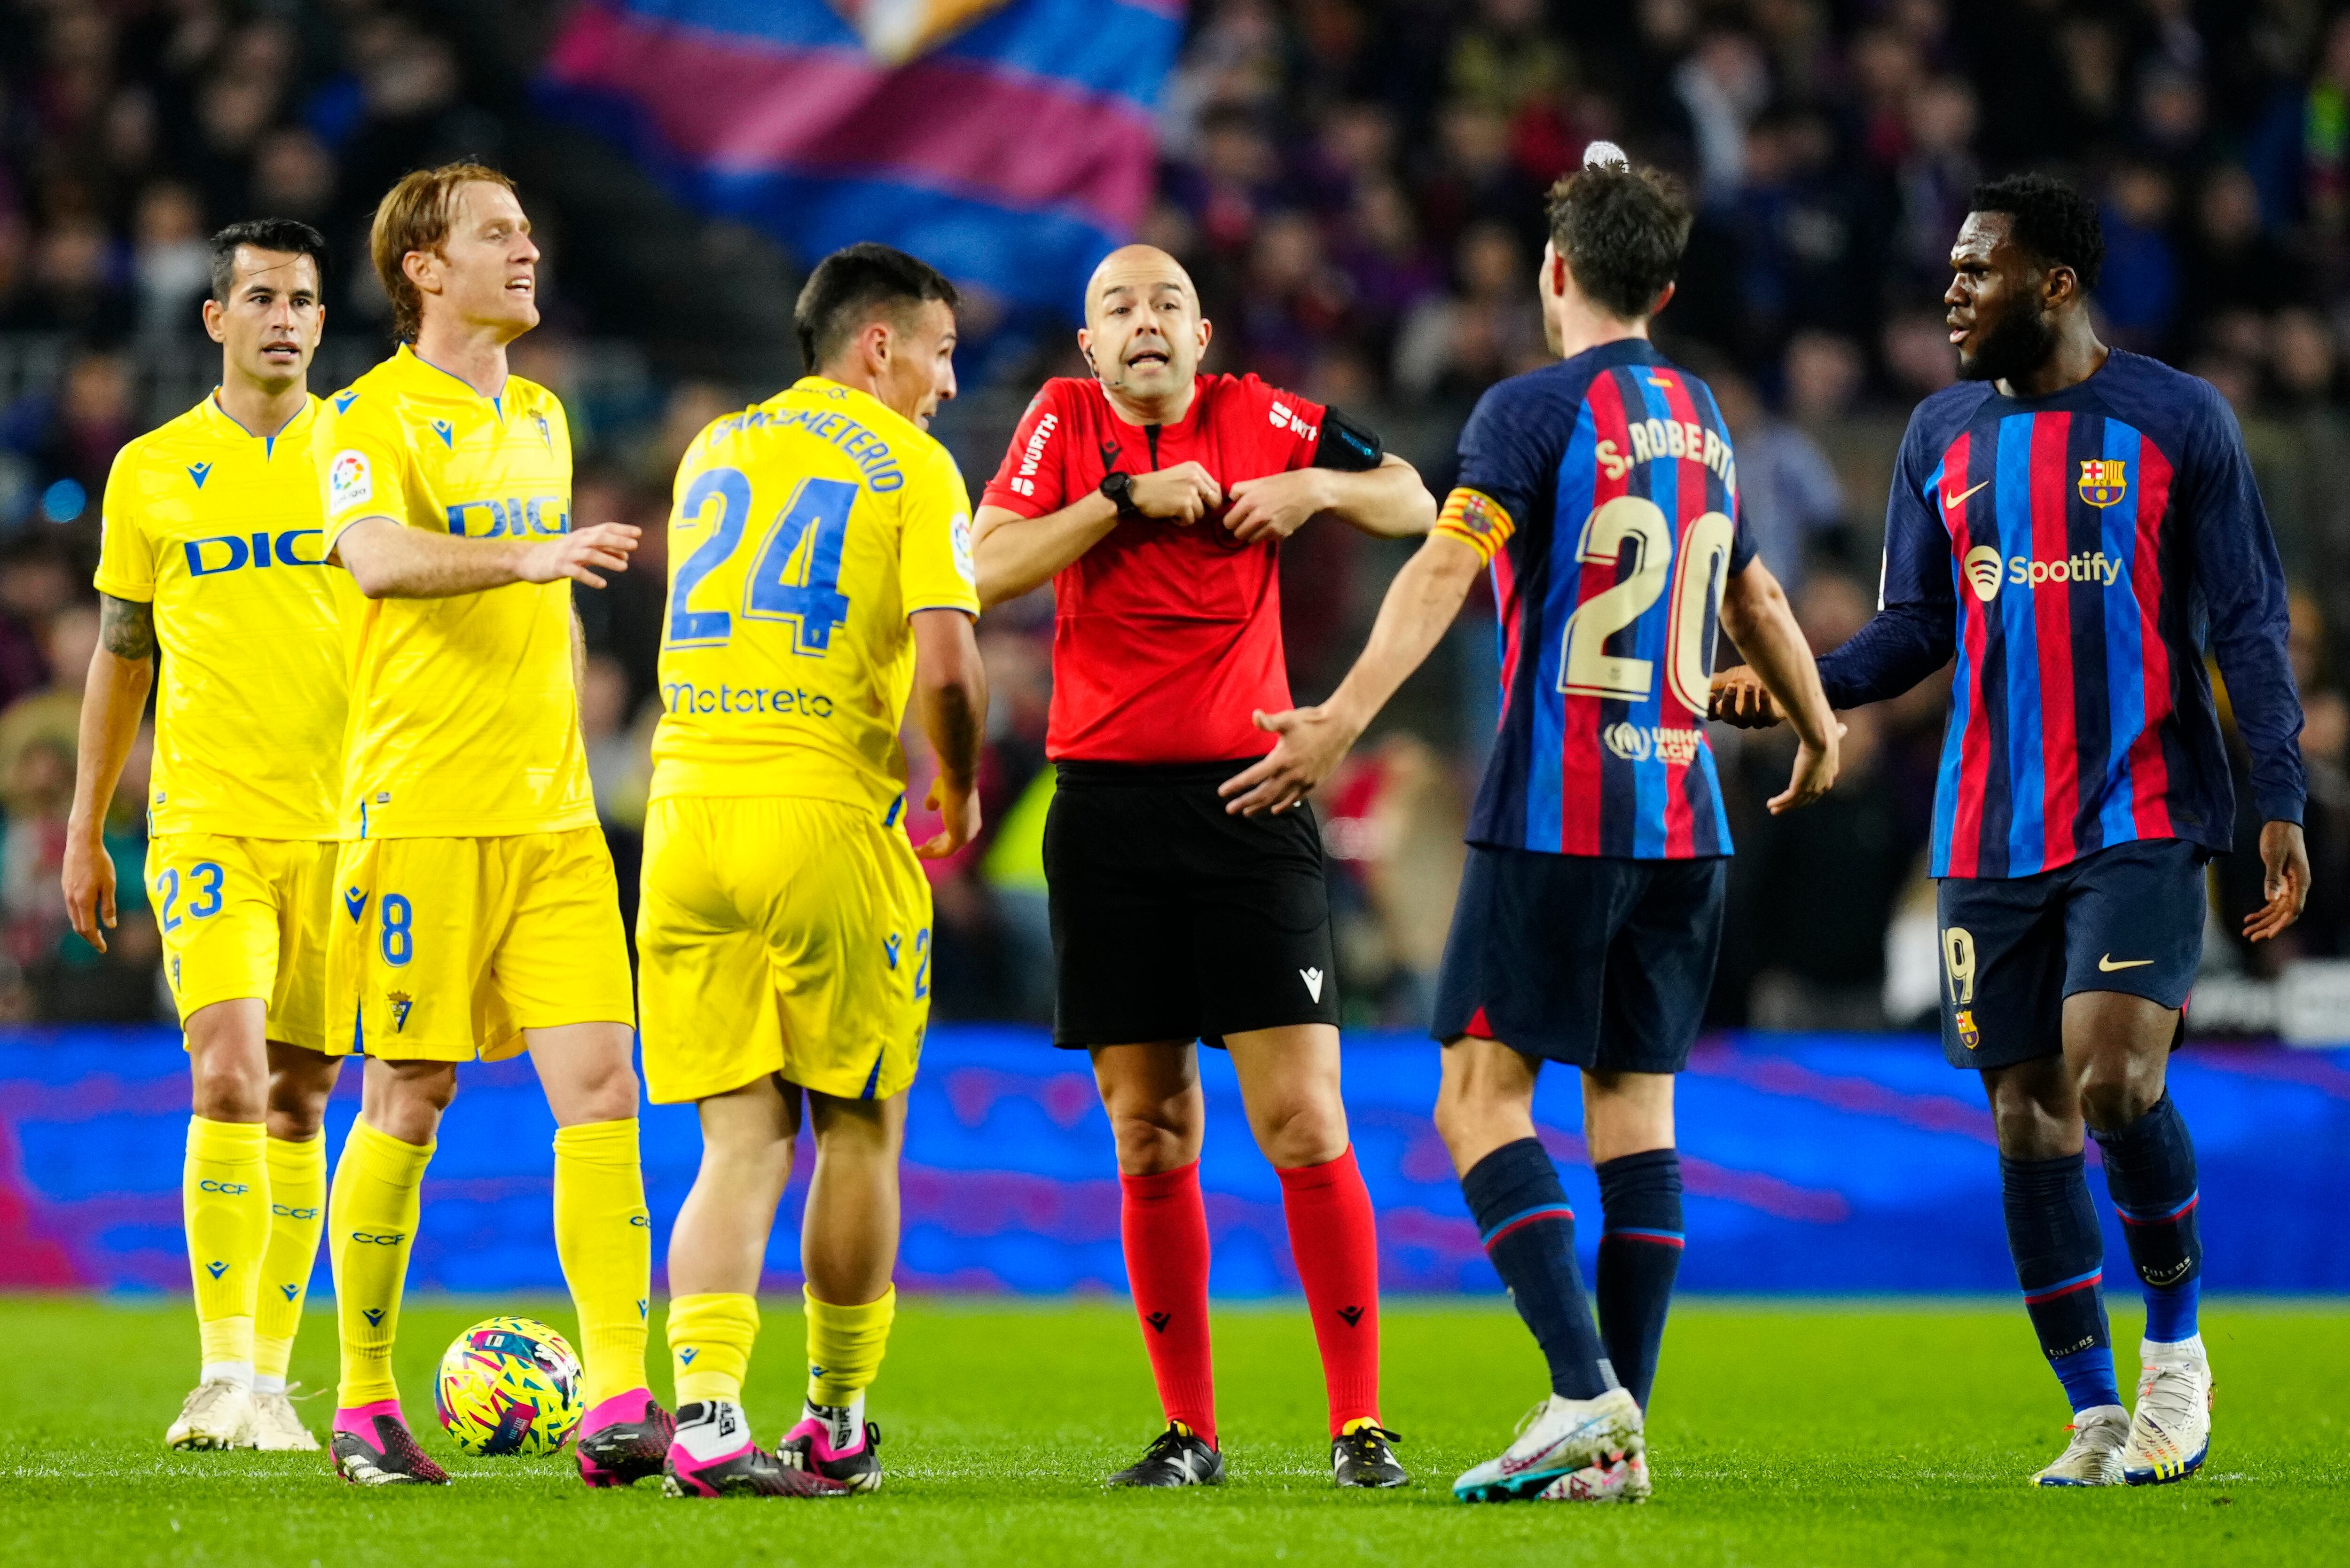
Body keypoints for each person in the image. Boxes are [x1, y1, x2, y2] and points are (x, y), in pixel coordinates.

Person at [1225, 147, 1841, 1505]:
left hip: (1559, 802)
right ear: (1665, 287)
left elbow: (1447, 564)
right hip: (1686, 815)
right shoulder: (1708, 418)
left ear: (1554, 274)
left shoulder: (1528, 407)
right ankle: (1619, 1436)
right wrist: (1821, 725)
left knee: (1476, 1096)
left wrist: (1335, 717)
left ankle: (1580, 1392)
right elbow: (1762, 602)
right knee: (1635, 1106)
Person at [1712, 173, 2310, 1487]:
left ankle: (2176, 1358)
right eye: (1952, 270)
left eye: (1980, 269)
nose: (1953, 290)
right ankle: (2094, 1412)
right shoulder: (1938, 435)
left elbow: (2251, 624)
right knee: (2030, 1120)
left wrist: (2279, 794)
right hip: (1988, 826)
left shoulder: (2176, 419)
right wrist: (1810, 682)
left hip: (2145, 810)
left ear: (2055, 281)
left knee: (2111, 1081)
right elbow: (1921, 625)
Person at [970, 244, 1435, 1489]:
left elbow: (1414, 497)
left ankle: (1359, 1425)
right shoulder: (1062, 425)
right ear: (1089, 348)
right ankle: (1189, 1433)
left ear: (1203, 332)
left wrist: (1313, 497)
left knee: (1302, 1117)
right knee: (1152, 1133)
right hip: (1108, 817)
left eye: (1166, 303)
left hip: (1252, 804)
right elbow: (980, 565)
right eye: (1117, 308)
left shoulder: (1263, 417)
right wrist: (1122, 502)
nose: (1144, 323)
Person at [312, 164, 664, 1487]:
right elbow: (378, 559)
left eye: (528, 231)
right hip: (424, 812)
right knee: (412, 1091)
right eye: (497, 234)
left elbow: (551, 612)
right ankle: (360, 1407)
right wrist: (531, 557)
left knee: (601, 1088)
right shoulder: (366, 418)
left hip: (554, 818)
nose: (527, 251)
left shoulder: (546, 417)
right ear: (424, 265)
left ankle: (622, 1395)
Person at [647, 243, 987, 1499]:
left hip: (684, 815)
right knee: (858, 1124)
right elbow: (948, 666)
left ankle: (707, 1415)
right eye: (942, 355)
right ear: (881, 345)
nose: (950, 386)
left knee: (737, 1140)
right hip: (820, 807)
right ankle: (835, 1421)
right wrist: (956, 777)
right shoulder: (911, 464)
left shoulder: (714, 450)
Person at [62, 219, 349, 1453]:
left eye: (302, 300)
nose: (282, 317)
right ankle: (219, 1373)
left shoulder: (370, 455)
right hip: (208, 819)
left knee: (300, 1096)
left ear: (324, 325)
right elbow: (123, 658)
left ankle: (273, 1388)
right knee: (226, 1072)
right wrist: (87, 828)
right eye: (261, 297)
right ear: (215, 319)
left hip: (348, 830)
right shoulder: (149, 472)